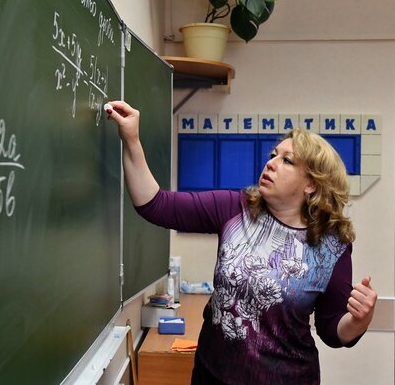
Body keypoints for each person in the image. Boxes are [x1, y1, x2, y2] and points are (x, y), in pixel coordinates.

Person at [106, 101, 378, 384]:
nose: (270, 163)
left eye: (287, 161)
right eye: (273, 155)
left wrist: (359, 321)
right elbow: (155, 204)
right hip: (213, 376)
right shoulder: (235, 209)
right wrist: (132, 140)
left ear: (311, 184)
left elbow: (332, 330)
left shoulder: (332, 246)